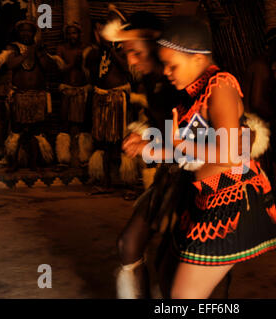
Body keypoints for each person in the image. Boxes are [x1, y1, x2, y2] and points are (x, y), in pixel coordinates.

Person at [123, 16, 276, 299]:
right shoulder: (191, 94)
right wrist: (147, 144)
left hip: (232, 205)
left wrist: (177, 142)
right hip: (205, 200)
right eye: (164, 65)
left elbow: (230, 151)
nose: (167, 72)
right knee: (170, 276)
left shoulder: (220, 85)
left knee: (183, 297)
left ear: (197, 59)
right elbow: (190, 150)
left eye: (172, 65)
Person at [101, 10, 188, 299]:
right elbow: (167, 128)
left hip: (200, 183)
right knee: (128, 245)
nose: (130, 61)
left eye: (135, 52)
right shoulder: (153, 82)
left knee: (176, 269)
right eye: (127, 53)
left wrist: (149, 144)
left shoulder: (187, 80)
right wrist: (144, 135)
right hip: (170, 177)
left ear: (156, 46)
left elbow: (204, 142)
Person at [243, 28, 276, 219]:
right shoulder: (262, 66)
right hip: (256, 128)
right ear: (275, 46)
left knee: (271, 175)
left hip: (254, 127)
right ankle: (273, 217)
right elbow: (257, 102)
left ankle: (271, 216)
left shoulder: (262, 64)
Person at [84, 5, 134, 191]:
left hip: (117, 100)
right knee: (103, 141)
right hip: (101, 98)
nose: (108, 24)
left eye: (112, 20)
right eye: (108, 20)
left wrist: (110, 49)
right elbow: (91, 67)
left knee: (118, 141)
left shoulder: (125, 45)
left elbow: (127, 68)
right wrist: (99, 46)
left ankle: (125, 181)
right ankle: (105, 181)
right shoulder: (103, 47)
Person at [3, 19, 54, 172]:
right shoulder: (13, 48)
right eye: (23, 30)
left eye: (29, 31)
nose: (26, 33)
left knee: (36, 131)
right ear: (18, 33)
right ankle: (13, 163)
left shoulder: (40, 49)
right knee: (17, 130)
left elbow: (47, 67)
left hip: (37, 95)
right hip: (20, 95)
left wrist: (37, 51)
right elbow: (10, 65)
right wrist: (27, 53)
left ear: (33, 33)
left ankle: (34, 162)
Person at [52, 22, 93, 169]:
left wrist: (82, 63)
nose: (72, 36)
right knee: (65, 122)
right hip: (67, 90)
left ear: (79, 34)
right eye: (69, 33)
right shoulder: (61, 49)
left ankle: (84, 157)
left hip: (83, 90)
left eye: (74, 33)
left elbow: (91, 71)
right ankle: (63, 158)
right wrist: (73, 64)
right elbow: (59, 70)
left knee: (83, 123)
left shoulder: (87, 49)